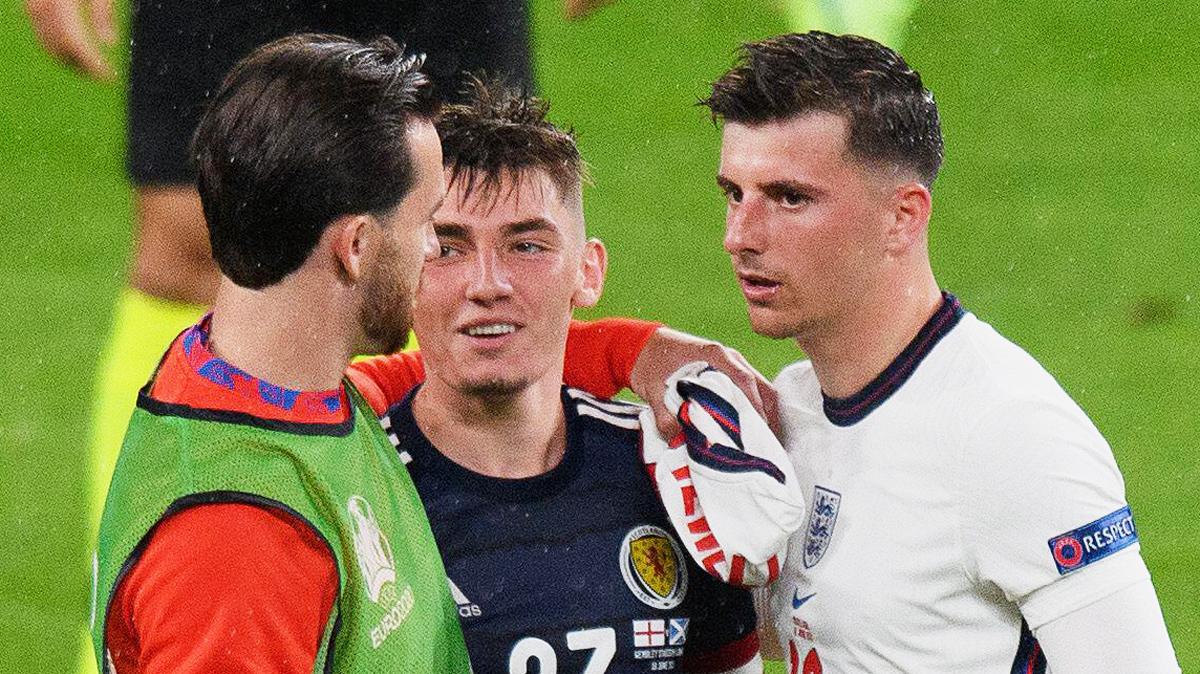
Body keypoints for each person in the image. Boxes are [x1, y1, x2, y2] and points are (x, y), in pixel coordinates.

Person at [696, 32, 1180, 672]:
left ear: (902, 216)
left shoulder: (1008, 433)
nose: (740, 236)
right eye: (734, 193)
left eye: (790, 197)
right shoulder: (790, 405)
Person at [345, 78, 767, 674]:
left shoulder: (667, 471)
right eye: (447, 248)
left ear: (588, 272)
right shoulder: (358, 491)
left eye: (528, 246)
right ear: (402, 266)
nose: (487, 284)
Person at [90, 34, 471, 673]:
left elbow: (443, 379)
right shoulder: (238, 546)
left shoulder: (247, 372)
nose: (435, 250)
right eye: (427, 222)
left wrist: (628, 355)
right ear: (354, 248)